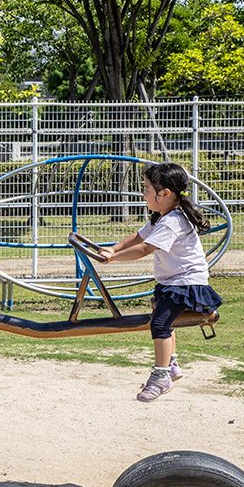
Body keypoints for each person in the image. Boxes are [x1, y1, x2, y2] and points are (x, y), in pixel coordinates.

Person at [100, 162, 222, 402]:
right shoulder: (162, 217)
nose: (143, 193)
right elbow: (138, 236)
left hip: (186, 284)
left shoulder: (173, 221)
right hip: (173, 282)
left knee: (160, 324)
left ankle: (161, 376)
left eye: (146, 188)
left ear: (164, 194)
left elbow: (145, 248)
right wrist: (113, 248)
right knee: (163, 315)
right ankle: (172, 362)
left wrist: (113, 259)